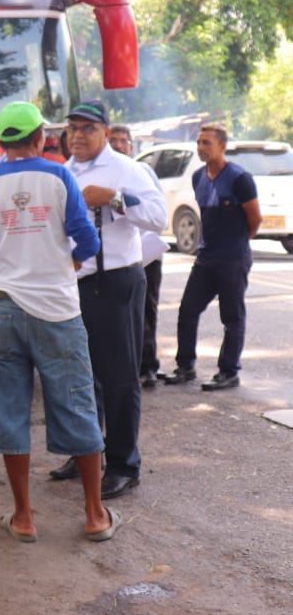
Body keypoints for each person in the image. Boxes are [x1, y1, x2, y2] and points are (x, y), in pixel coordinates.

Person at [0, 101, 118, 543]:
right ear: (41, 136)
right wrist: (64, 266)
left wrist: (1, 275)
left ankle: (24, 517)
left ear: (2, 142)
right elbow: (86, 238)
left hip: (4, 310)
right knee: (77, 405)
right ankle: (95, 514)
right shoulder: (58, 175)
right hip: (57, 310)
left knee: (9, 411)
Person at [50, 102, 165, 500]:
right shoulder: (65, 170)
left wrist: (115, 198)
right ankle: (85, 451)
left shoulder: (126, 169)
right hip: (75, 284)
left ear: (104, 131)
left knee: (118, 378)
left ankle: (122, 464)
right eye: (72, 128)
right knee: (81, 377)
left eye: (86, 128)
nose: (78, 135)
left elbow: (158, 217)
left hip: (115, 282)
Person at [161, 123, 262, 391]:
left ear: (222, 146)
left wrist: (237, 244)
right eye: (199, 142)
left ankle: (228, 371)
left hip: (232, 259)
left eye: (207, 143)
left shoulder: (240, 178)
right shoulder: (198, 177)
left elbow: (255, 219)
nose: (201, 147)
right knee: (188, 310)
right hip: (206, 258)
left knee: (232, 317)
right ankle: (185, 366)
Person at [109, 124, 167, 388]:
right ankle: (122, 367)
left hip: (147, 252)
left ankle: (148, 365)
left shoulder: (143, 172)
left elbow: (158, 214)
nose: (119, 145)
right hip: (114, 260)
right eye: (115, 140)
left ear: (132, 147)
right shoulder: (101, 173)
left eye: (124, 141)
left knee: (147, 310)